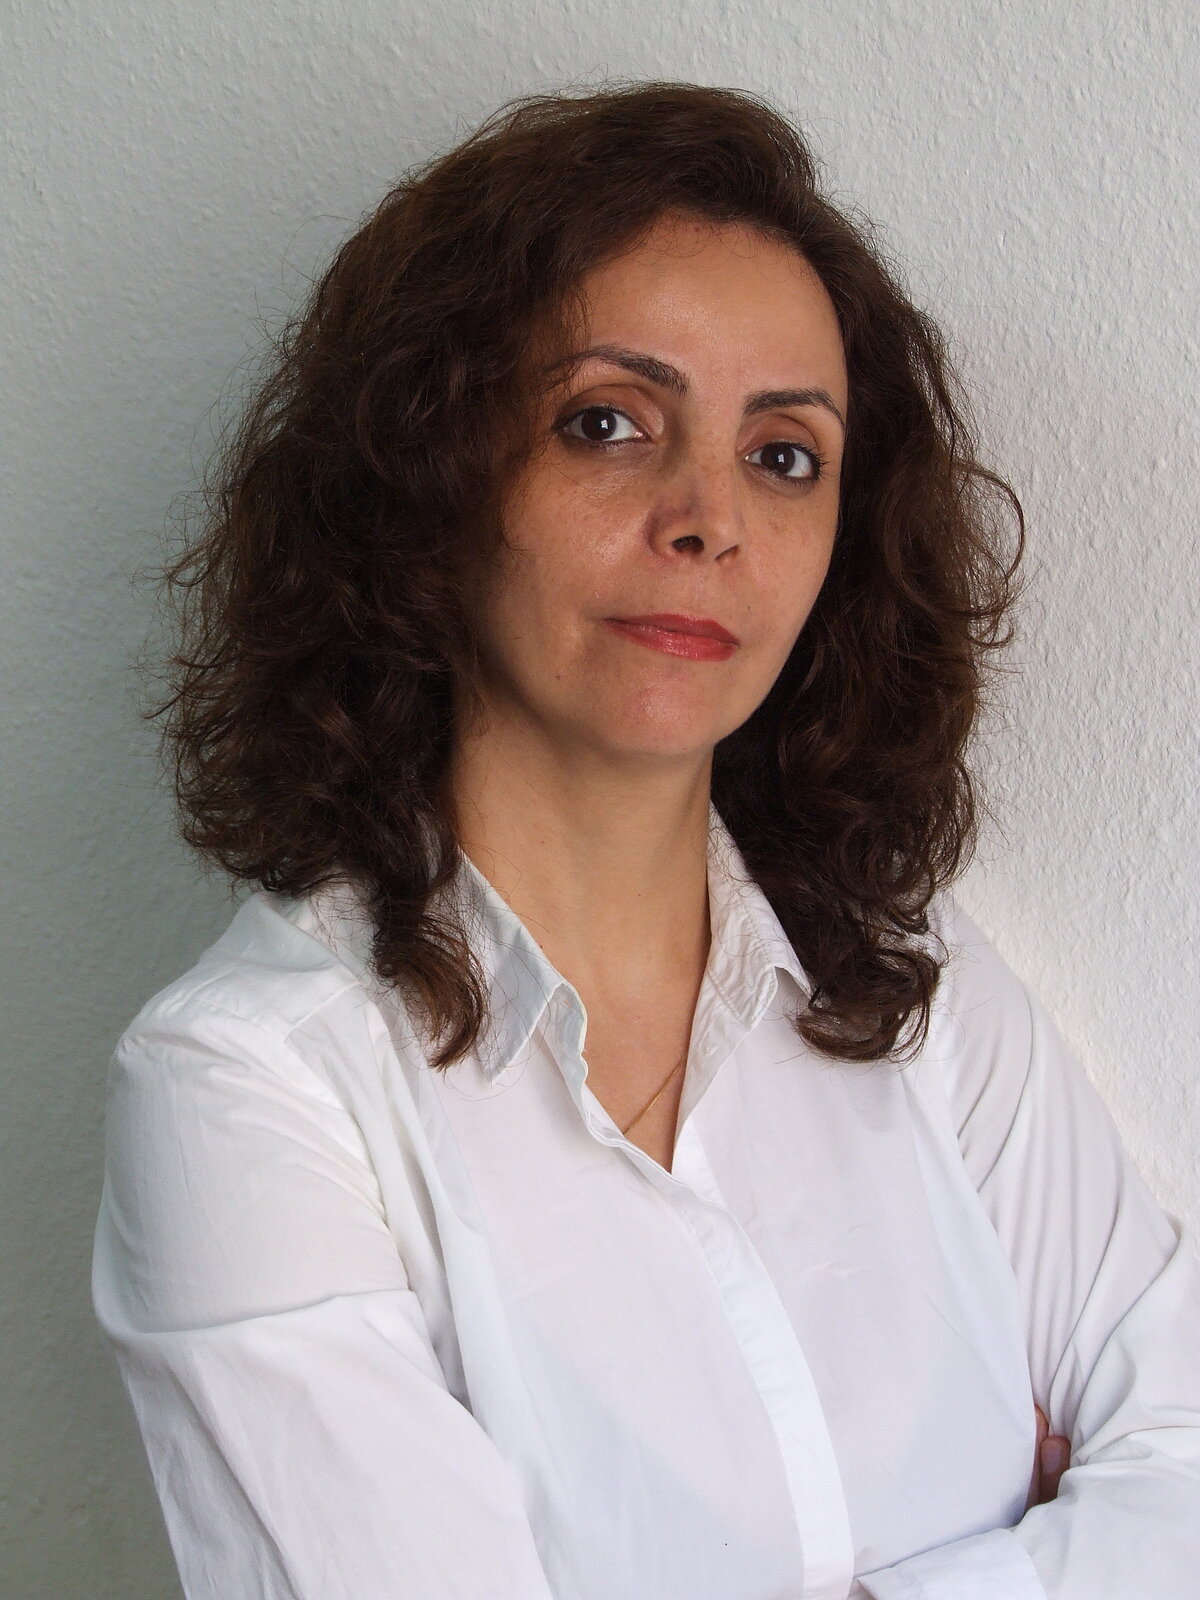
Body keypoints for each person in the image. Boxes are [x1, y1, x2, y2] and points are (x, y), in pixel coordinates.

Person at [91, 81, 1200, 1600]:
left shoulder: (909, 980)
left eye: (785, 454)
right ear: (428, 478)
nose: (708, 518)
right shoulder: (249, 1089)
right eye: (606, 423)